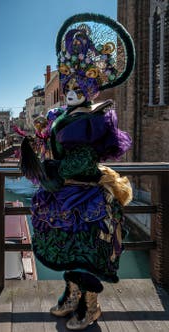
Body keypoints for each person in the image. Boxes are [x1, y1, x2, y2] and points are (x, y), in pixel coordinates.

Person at [20, 13, 135, 330]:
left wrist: (54, 168)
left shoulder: (92, 119)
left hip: (83, 192)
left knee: (84, 247)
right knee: (65, 245)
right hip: (63, 193)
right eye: (67, 83)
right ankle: (71, 295)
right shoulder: (63, 115)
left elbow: (84, 158)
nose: (70, 89)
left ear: (89, 87)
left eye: (76, 84)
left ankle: (90, 304)